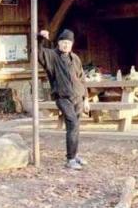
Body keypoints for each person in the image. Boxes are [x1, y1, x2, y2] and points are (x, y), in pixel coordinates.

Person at [38, 28, 90, 170]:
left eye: (68, 43)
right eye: (63, 42)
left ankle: (75, 154)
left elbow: (82, 79)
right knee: (72, 123)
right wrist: (40, 38)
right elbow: (37, 53)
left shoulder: (76, 58)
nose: (65, 45)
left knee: (76, 126)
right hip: (62, 97)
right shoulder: (52, 56)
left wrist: (86, 99)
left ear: (72, 44)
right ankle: (70, 159)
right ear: (59, 43)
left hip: (78, 97)